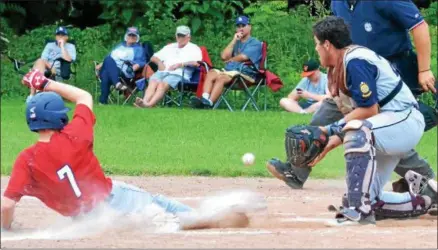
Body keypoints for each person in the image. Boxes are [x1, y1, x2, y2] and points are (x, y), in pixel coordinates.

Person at [1, 68, 261, 232]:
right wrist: (46, 83)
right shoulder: (74, 135)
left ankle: (163, 223)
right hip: (113, 198)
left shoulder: (26, 160)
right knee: (158, 203)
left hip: (86, 219)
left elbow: (6, 205)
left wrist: (7, 227)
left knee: (141, 221)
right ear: (59, 117)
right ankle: (196, 217)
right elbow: (84, 97)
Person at [268, 0, 437, 200]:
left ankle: (425, 181)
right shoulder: (338, 3)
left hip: (386, 77)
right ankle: (297, 171)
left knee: (376, 132)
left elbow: (419, 26)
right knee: (326, 116)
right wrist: (334, 77)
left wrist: (424, 69)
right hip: (351, 73)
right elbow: (335, 40)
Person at [303, 16, 435, 226]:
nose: (317, 49)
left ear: (327, 44)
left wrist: (327, 130)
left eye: (317, 44)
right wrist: (327, 144)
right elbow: (361, 116)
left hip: (403, 119)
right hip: (387, 126)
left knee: (357, 132)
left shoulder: (355, 61)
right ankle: (426, 197)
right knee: (366, 195)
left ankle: (358, 211)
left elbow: (369, 110)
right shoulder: (343, 63)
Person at [190, 16, 262, 108]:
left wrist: (231, 59)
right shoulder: (237, 41)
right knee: (211, 73)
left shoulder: (255, 43)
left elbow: (244, 57)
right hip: (231, 72)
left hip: (245, 74)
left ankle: (209, 103)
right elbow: (224, 56)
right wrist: (234, 40)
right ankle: (204, 99)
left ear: (249, 27)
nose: (240, 28)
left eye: (243, 25)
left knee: (221, 78)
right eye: (238, 26)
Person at [134, 25, 202, 108]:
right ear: (176, 36)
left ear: (188, 37)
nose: (180, 38)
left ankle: (149, 104)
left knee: (162, 84)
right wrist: (159, 62)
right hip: (163, 71)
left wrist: (180, 64)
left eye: (183, 36)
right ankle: (144, 102)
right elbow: (153, 58)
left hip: (179, 73)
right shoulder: (170, 47)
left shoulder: (194, 48)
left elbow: (197, 63)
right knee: (153, 82)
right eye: (179, 35)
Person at [95, 27, 146, 105]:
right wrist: (101, 64)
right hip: (112, 69)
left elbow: (142, 62)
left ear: (137, 38)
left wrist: (134, 67)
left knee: (106, 70)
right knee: (106, 68)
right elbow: (109, 58)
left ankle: (103, 100)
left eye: (134, 36)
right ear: (126, 36)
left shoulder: (138, 49)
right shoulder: (119, 46)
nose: (131, 37)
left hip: (124, 71)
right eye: (130, 35)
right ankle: (114, 87)